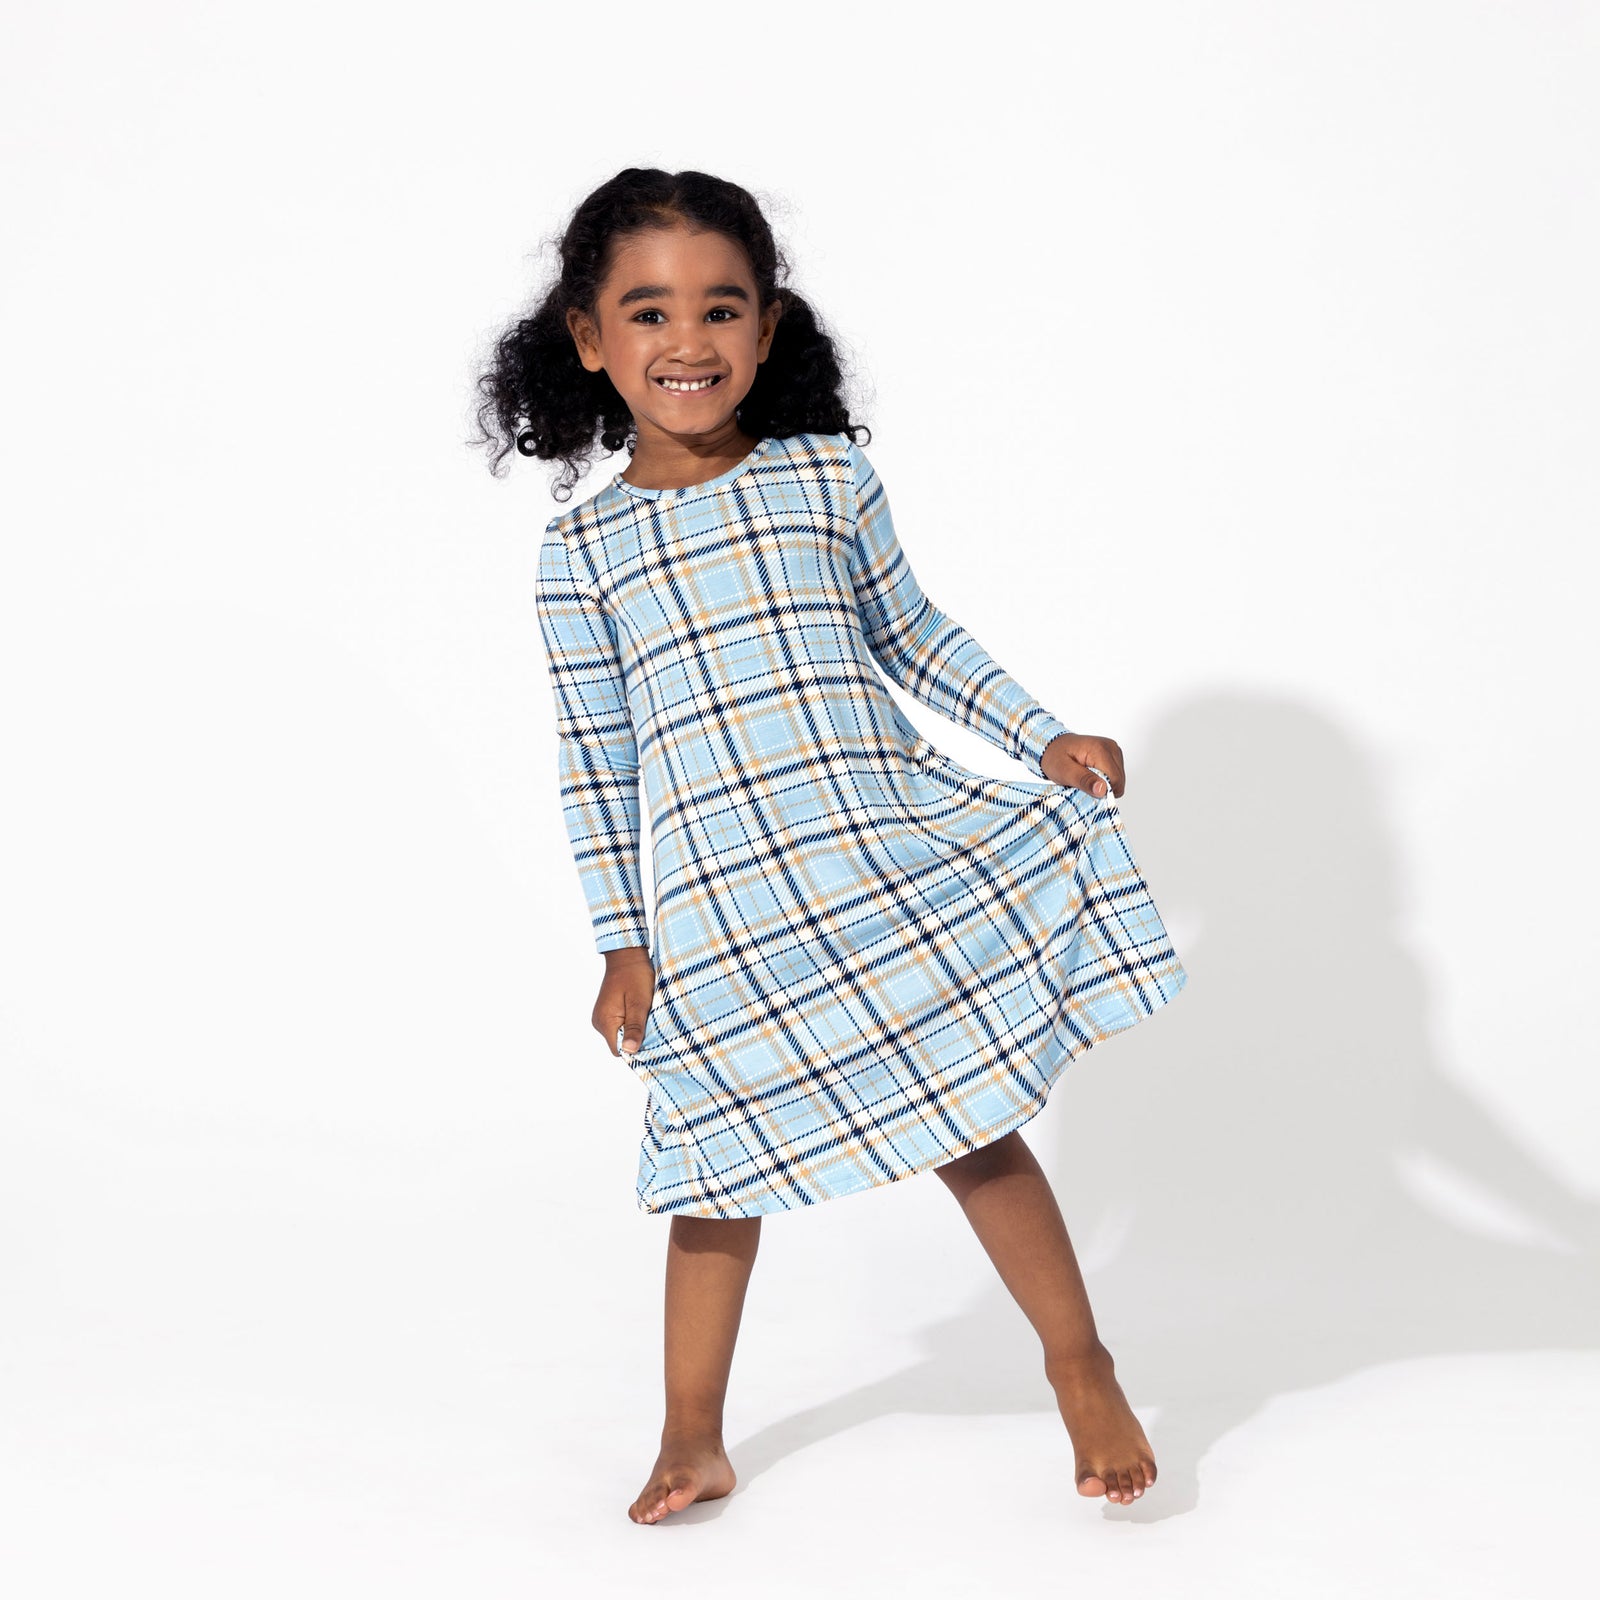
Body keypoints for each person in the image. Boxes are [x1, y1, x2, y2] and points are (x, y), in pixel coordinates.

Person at [475, 167, 1189, 1522]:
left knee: (974, 1124)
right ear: (588, 338)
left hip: (875, 862)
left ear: (766, 325)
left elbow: (911, 636)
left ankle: (1080, 1364)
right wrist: (622, 941)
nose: (687, 341)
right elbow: (598, 760)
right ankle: (693, 1436)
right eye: (648, 312)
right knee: (713, 1174)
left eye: (720, 308)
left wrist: (1039, 737)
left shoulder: (825, 477)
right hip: (725, 912)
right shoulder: (583, 551)